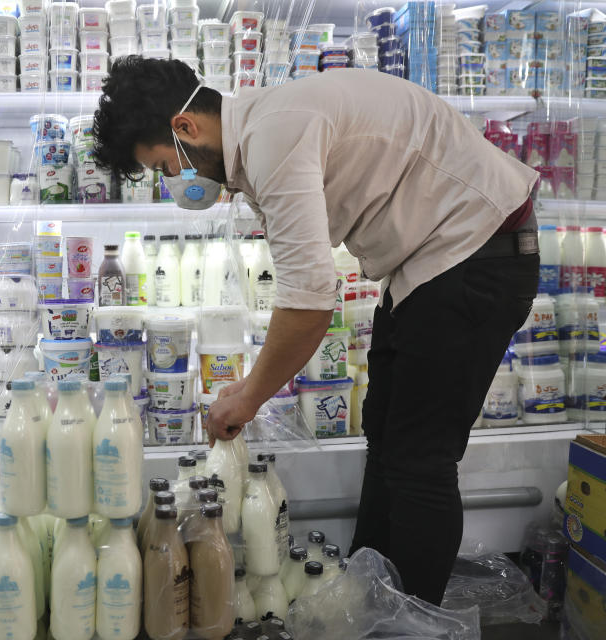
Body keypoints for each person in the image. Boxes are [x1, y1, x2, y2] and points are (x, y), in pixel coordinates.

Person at [92, 56, 539, 606]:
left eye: (164, 166)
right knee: (386, 436)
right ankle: (370, 598)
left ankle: (413, 621)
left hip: (474, 255)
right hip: (430, 264)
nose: (172, 182)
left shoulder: (273, 138)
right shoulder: (263, 136)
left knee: (420, 460)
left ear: (185, 129)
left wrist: (248, 397)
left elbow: (309, 303)